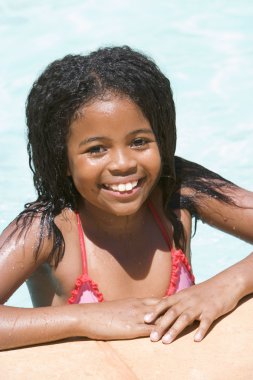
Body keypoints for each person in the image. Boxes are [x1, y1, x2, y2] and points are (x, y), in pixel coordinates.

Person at [0, 46, 252, 351]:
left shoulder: (176, 190)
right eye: (96, 149)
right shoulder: (49, 229)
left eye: (139, 142)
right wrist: (82, 318)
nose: (123, 163)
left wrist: (227, 284)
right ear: (62, 160)